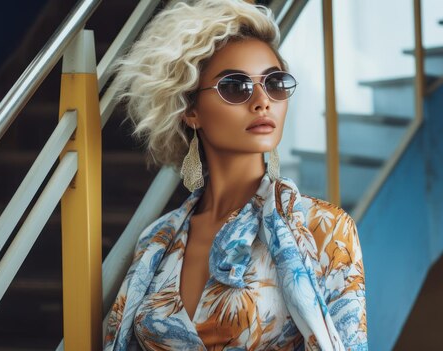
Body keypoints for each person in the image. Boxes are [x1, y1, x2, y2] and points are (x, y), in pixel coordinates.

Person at [103, 0, 367, 350]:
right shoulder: (157, 241)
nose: (262, 101)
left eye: (274, 83)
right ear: (191, 109)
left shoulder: (326, 229)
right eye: (235, 86)